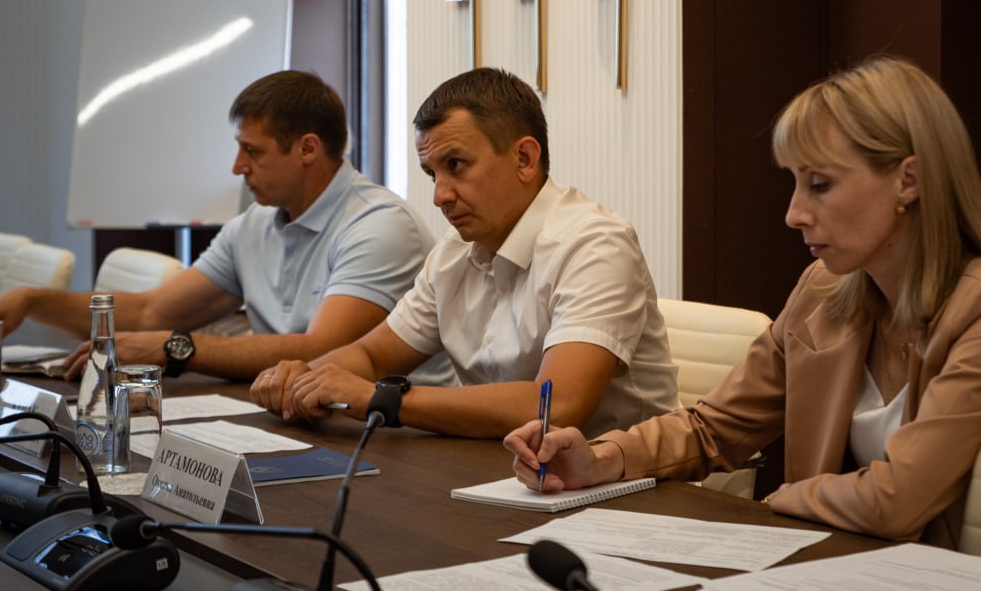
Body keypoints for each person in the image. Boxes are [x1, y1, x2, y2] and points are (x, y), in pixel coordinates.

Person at [504, 56, 981, 548]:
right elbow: (711, 429)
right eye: (795, 183)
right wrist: (599, 459)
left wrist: (781, 500)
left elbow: (898, 499)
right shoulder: (824, 290)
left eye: (819, 184)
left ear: (908, 180)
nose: (794, 213)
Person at [250, 67, 678, 438]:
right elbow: (372, 355)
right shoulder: (454, 254)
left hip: (625, 484)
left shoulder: (596, 244)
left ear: (525, 159)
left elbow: (556, 407)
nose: (439, 195)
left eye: (456, 165)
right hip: (502, 470)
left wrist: (382, 398)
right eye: (431, 173)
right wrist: (303, 378)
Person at [0, 70, 442, 383]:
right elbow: (152, 312)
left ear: (307, 149)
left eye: (252, 151)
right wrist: (32, 301)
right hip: (299, 412)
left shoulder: (379, 226)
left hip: (397, 439)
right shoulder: (253, 224)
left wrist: (177, 349)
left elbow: (322, 350)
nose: (237, 167)